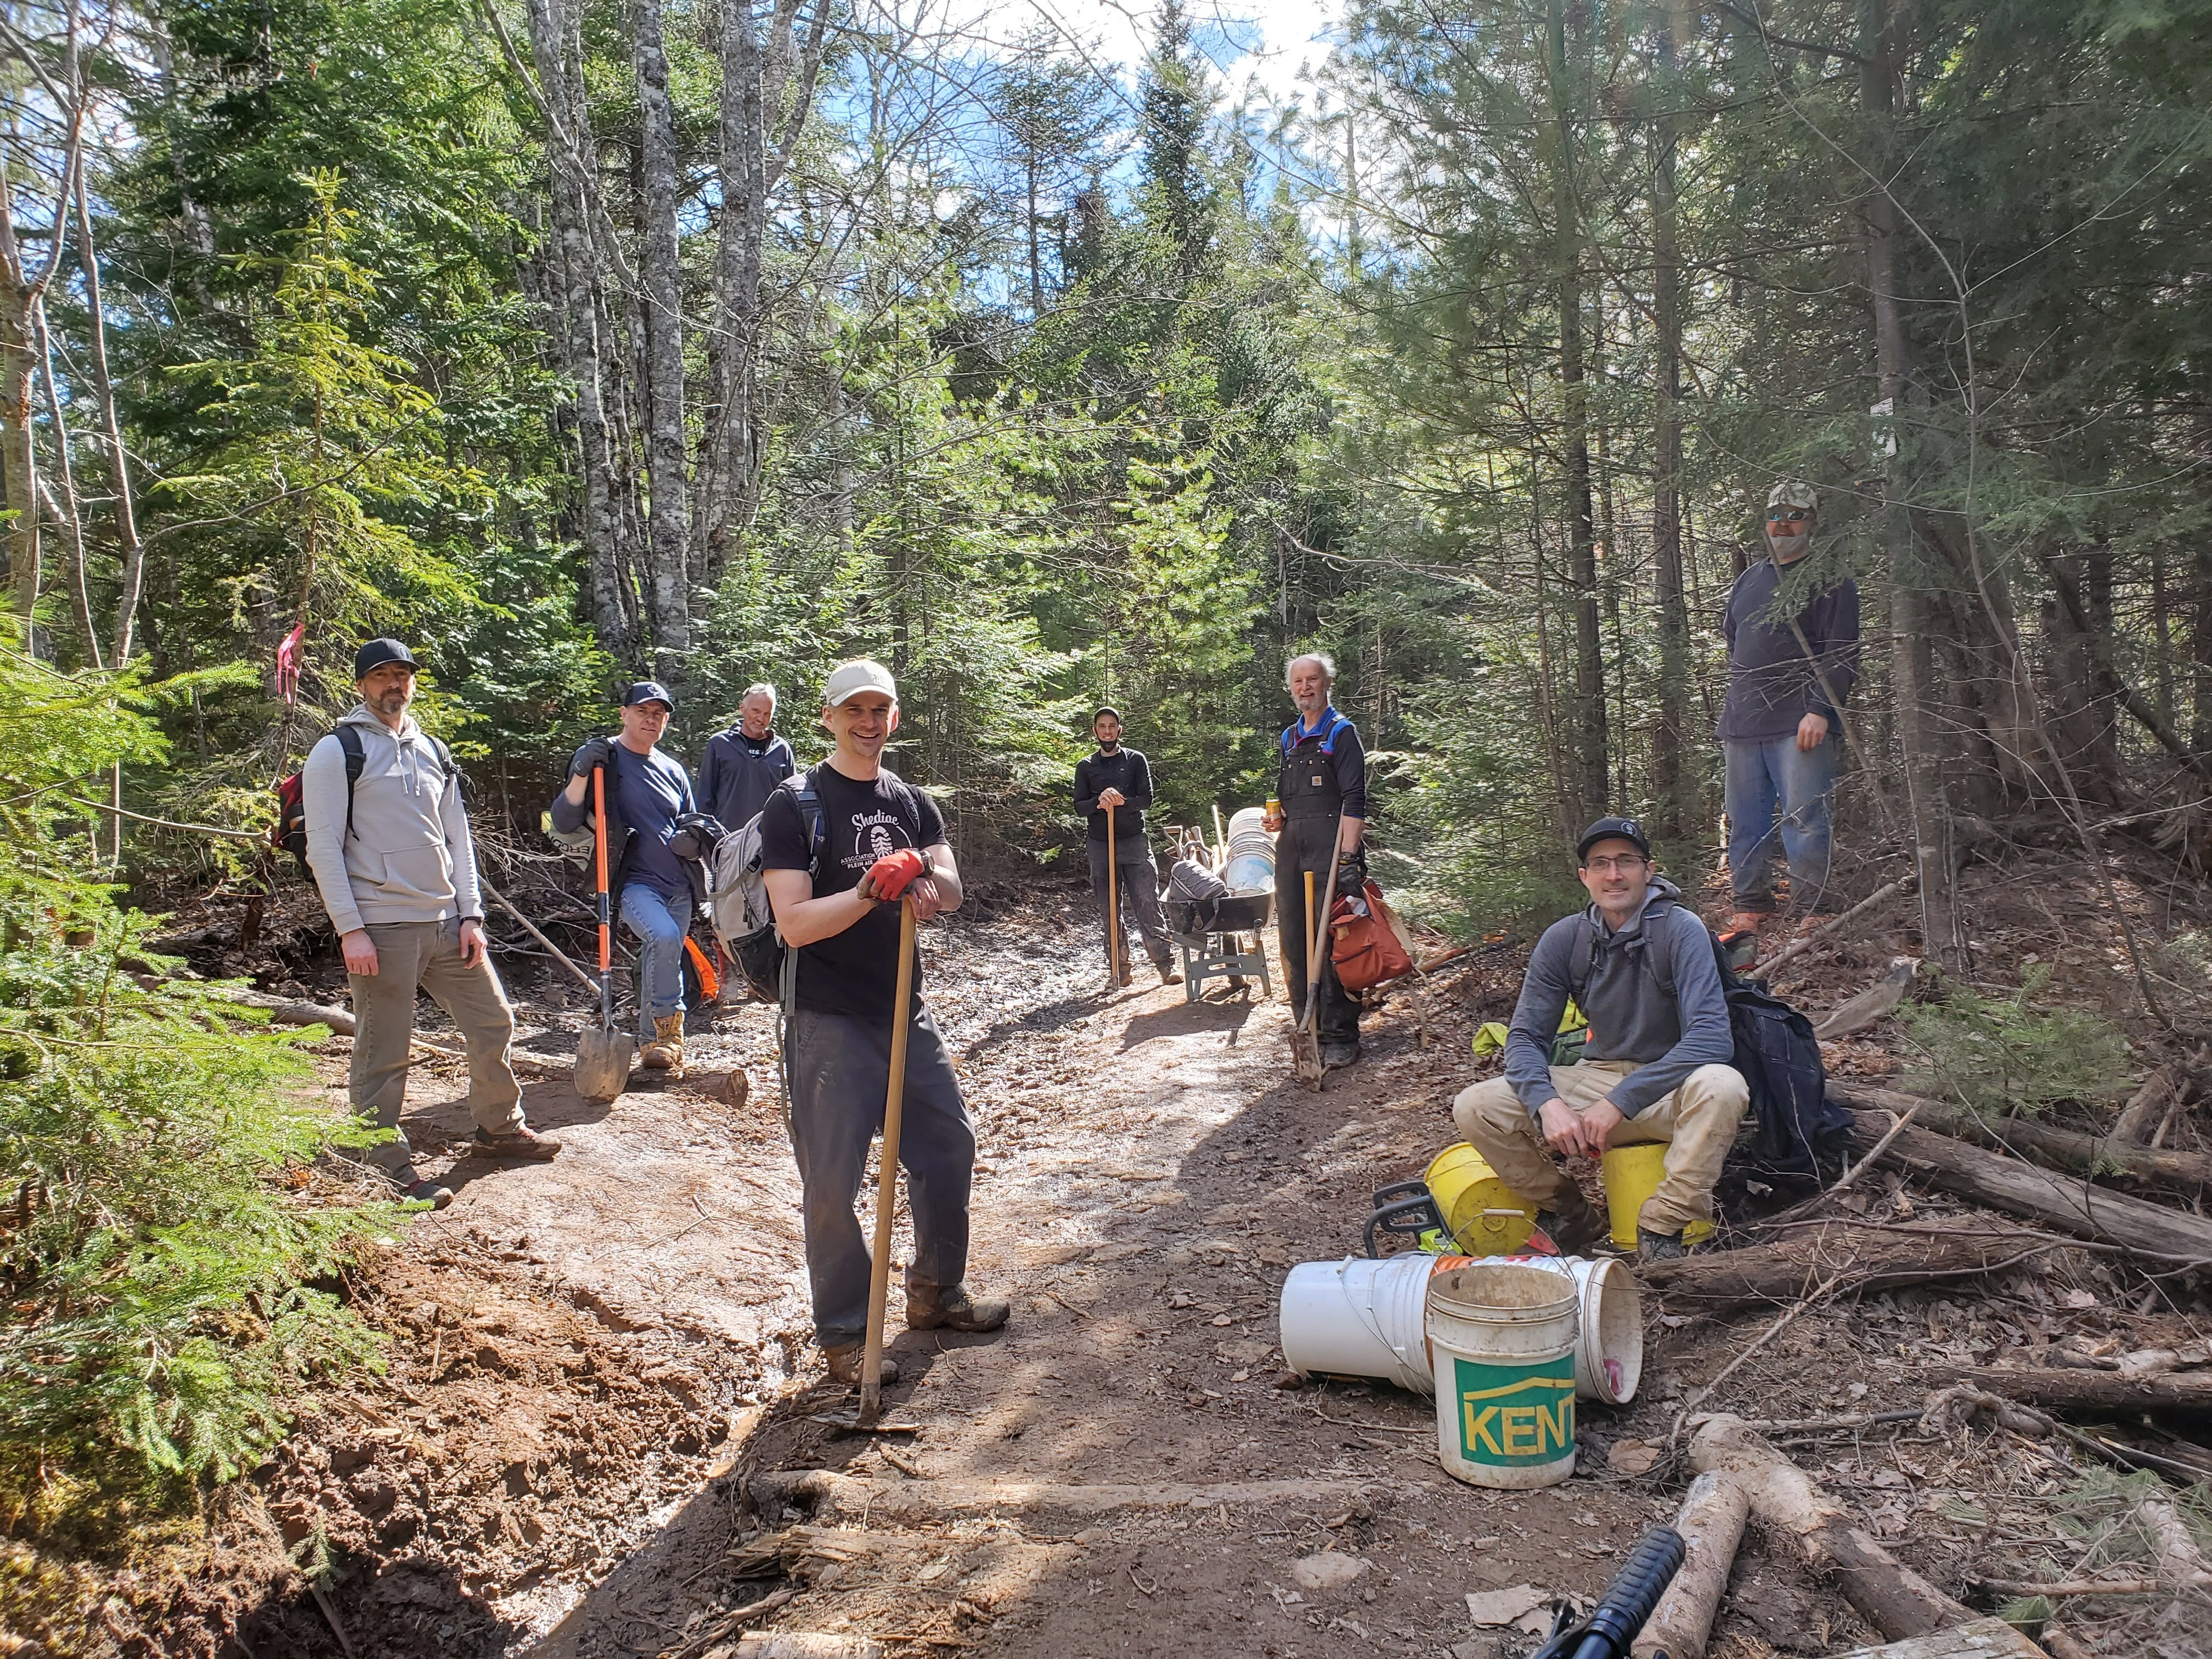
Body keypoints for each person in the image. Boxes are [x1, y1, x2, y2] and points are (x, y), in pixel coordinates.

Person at [760, 659, 1007, 1389]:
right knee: (833, 1184)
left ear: (894, 719)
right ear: (830, 717)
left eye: (881, 711)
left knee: (948, 1146)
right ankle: (844, 1333)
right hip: (827, 1019)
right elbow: (795, 925)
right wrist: (870, 890)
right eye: (855, 710)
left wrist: (926, 881)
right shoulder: (795, 803)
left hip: (905, 1008)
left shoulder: (911, 799)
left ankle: (935, 1292)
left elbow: (953, 887)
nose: (869, 722)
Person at [304, 638, 559, 1209]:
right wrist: (351, 929)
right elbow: (324, 848)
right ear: (361, 685)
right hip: (381, 926)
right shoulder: (337, 751)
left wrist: (471, 913)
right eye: (382, 676)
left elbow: (458, 839)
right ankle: (382, 1164)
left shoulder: (432, 750)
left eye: (403, 675)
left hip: (447, 922)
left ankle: (498, 1128)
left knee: (493, 1022)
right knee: (383, 1050)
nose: (394, 684)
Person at [1451, 817, 1748, 1263]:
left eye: (1626, 862)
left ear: (1647, 870)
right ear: (1584, 876)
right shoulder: (1566, 939)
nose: (1614, 875)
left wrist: (1621, 1101)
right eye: (1601, 863)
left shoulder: (1680, 929)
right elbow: (1526, 1036)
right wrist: (1547, 1104)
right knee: (1476, 1106)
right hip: (1596, 1078)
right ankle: (1571, 1213)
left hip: (1671, 1087)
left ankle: (1663, 1223)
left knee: (1724, 1085)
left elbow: (1710, 1038)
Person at [1720, 479, 1861, 942]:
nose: (1783, 524)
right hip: (1744, 721)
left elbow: (1841, 652)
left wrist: (1820, 709)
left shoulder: (1830, 580)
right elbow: (1733, 637)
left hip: (1800, 722)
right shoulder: (1750, 578)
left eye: (1795, 515)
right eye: (1776, 514)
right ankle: (1750, 904)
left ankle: (1813, 907)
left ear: (1812, 521)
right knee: (1745, 820)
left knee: (1805, 817)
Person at [550, 682, 703, 1075]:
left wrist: (695, 837)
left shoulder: (673, 769)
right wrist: (582, 771)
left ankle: (653, 1045)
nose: (652, 720)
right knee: (664, 938)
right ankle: (671, 1031)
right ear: (625, 713)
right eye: (643, 712)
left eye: (659, 714)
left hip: (679, 885)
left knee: (661, 954)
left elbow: (690, 820)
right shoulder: (604, 759)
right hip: (634, 882)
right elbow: (564, 821)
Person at [1263, 653, 1368, 1069]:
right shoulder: (1290, 738)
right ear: (1292, 689)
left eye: (1313, 680)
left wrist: (1347, 857)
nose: (1306, 688)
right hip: (1292, 849)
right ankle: (1307, 1028)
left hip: (1330, 848)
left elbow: (1354, 800)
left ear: (1327, 684)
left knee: (1332, 944)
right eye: (1298, 682)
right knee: (1294, 939)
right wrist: (1277, 818)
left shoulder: (1342, 734)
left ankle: (1341, 1035)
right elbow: (1286, 798)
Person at [1072, 707, 1180, 988]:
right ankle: (1118, 971)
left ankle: (1165, 965)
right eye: (1102, 726)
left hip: (1134, 842)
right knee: (1109, 909)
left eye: (1112, 726)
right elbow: (1079, 806)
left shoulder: (1135, 761)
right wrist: (1100, 800)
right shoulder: (1086, 767)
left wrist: (1121, 801)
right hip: (1100, 845)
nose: (1107, 731)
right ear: (1095, 732)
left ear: (1120, 730)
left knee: (1147, 902)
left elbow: (1147, 799)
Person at [697, 682, 796, 831]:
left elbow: (792, 799)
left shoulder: (781, 749)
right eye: (756, 711)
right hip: (726, 838)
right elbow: (705, 796)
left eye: (767, 713)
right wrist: (704, 836)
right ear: (742, 708)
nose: (760, 718)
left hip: (770, 840)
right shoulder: (720, 744)